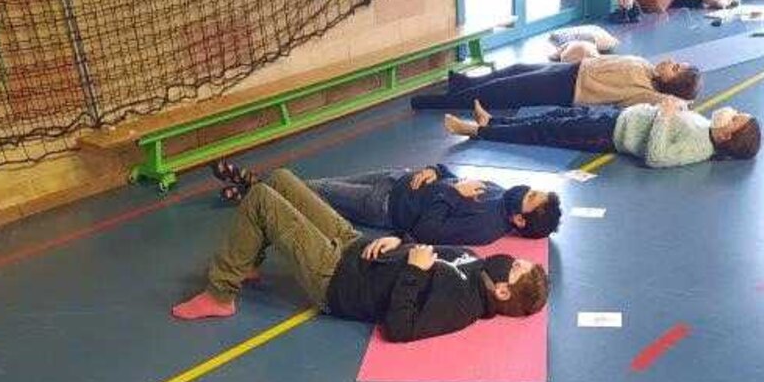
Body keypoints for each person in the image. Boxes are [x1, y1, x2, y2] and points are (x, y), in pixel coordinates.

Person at [171, 168, 548, 339]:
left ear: (502, 291)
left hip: (338, 279)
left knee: (260, 200)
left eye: (515, 267)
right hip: (355, 245)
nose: (511, 259)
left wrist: (415, 272)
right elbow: (422, 242)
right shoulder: (474, 261)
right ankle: (247, 260)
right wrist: (398, 241)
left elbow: (401, 328)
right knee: (282, 179)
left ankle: (220, 294)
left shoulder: (461, 306)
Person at [211, 159, 561, 245]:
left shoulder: (485, 226)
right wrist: (435, 171)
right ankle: (254, 187)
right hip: (395, 179)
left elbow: (427, 231)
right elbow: (452, 176)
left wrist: (449, 192)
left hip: (385, 206)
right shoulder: (501, 194)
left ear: (520, 220)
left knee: (314, 193)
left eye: (531, 197)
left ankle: (252, 186)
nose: (526, 189)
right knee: (318, 185)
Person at [444, 97, 762, 168]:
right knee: (556, 114)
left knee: (543, 130)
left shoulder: (699, 149)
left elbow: (657, 157)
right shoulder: (707, 128)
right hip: (617, 117)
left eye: (735, 119)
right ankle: (492, 122)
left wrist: (665, 117)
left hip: (608, 134)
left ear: (727, 137)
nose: (731, 113)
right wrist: (674, 109)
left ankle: (476, 132)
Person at [411, 53, 702, 113]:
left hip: (568, 88)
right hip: (571, 69)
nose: (671, 62)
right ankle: (462, 84)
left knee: (504, 91)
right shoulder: (647, 68)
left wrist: (684, 100)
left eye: (676, 68)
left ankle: (438, 102)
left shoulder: (647, 93)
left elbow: (673, 105)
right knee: (517, 68)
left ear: (673, 83)